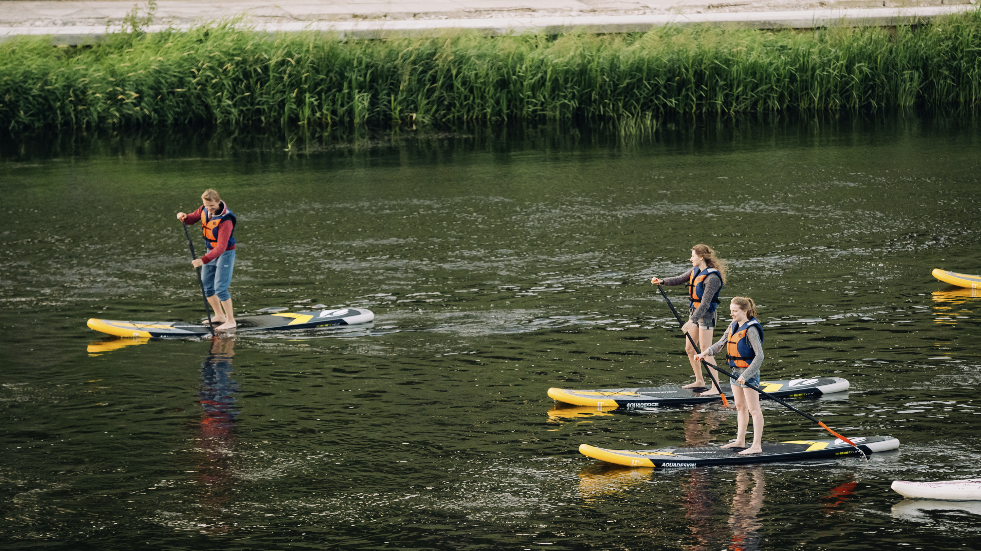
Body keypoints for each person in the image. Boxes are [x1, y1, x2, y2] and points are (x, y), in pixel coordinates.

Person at [651, 244, 728, 395]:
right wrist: (662, 281)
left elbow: (705, 304)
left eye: (692, 255)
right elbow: (679, 279)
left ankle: (715, 387)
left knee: (706, 352)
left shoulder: (712, 278)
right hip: (694, 314)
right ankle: (699, 381)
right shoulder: (695, 270)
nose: (690, 258)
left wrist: (692, 320)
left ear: (701, 257)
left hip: (706, 316)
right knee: (690, 348)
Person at [695, 297, 765, 455]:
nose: (731, 314)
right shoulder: (733, 326)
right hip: (734, 372)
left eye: (735, 311)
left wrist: (746, 375)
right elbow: (720, 344)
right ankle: (740, 440)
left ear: (744, 311)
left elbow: (759, 356)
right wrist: (704, 353)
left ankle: (756, 445)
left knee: (754, 410)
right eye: (731, 311)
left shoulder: (752, 329)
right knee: (740, 407)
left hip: (749, 373)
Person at [177, 189, 238, 332]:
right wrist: (184, 216)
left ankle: (231, 321)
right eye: (206, 206)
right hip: (210, 251)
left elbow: (222, 247)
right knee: (207, 287)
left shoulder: (226, 219)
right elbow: (191, 219)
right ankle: (219, 316)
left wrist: (203, 260)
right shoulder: (204, 209)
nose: (209, 209)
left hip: (225, 253)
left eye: (212, 207)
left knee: (220, 288)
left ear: (218, 201)